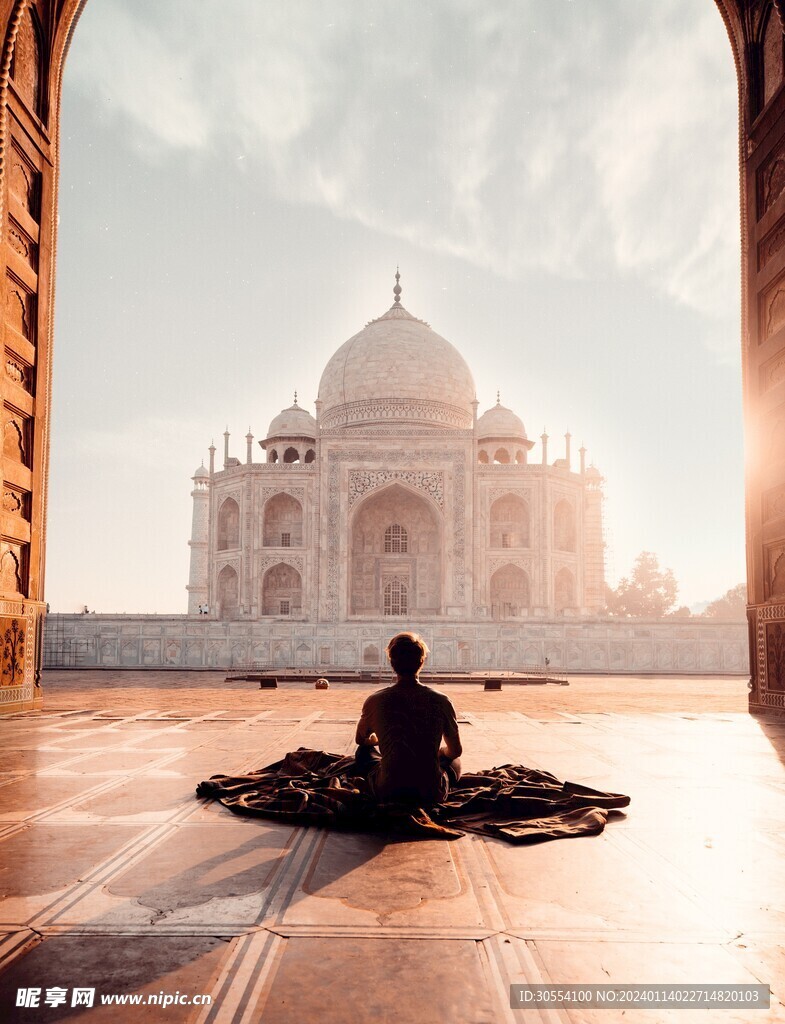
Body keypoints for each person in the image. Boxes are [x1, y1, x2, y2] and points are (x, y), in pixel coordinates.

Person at [354, 632, 462, 805]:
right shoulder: (441, 700)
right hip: (430, 793)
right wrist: (440, 752)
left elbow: (360, 740)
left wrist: (379, 741)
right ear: (422, 661)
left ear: (392, 662)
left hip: (387, 791)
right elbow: (455, 751)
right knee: (454, 760)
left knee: (363, 753)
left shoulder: (376, 700)